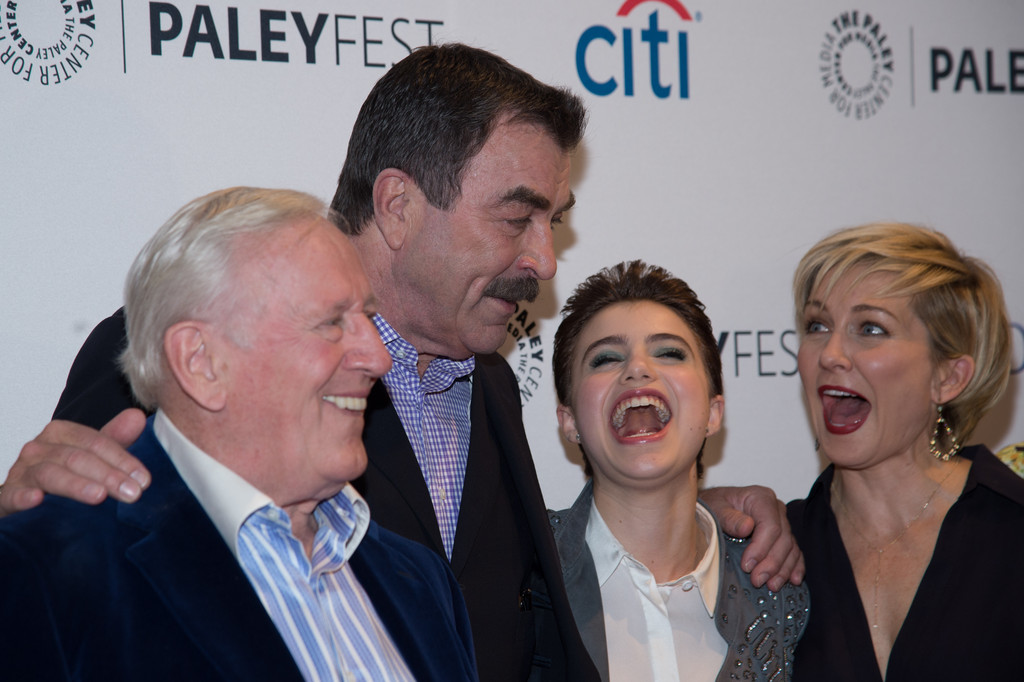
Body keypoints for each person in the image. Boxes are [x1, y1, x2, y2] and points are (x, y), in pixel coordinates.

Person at [1, 44, 802, 681]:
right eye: (517, 217)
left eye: (553, 221)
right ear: (396, 204)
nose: (544, 260)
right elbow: (79, 551)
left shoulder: (487, 377)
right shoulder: (194, 338)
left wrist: (688, 498)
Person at [0, 187, 478, 681]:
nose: (379, 358)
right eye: (332, 322)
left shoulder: (421, 583)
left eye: (370, 318)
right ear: (201, 362)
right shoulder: (46, 572)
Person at [543, 260, 809, 681]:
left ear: (713, 411)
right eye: (605, 358)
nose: (638, 368)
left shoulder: (780, 591)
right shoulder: (521, 572)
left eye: (668, 352)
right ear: (569, 420)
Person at [785, 222, 1024, 681]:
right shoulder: (775, 550)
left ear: (948, 378)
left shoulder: (1012, 531)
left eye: (870, 328)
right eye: (818, 325)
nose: (830, 353)